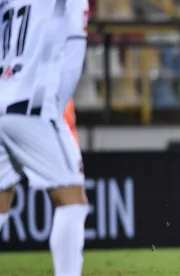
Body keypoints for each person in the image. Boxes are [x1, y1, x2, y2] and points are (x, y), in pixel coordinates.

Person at [0, 0, 89, 276]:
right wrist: (54, 109)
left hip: (2, 99)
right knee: (72, 198)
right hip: (32, 106)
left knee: (1, 196)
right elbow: (73, 51)